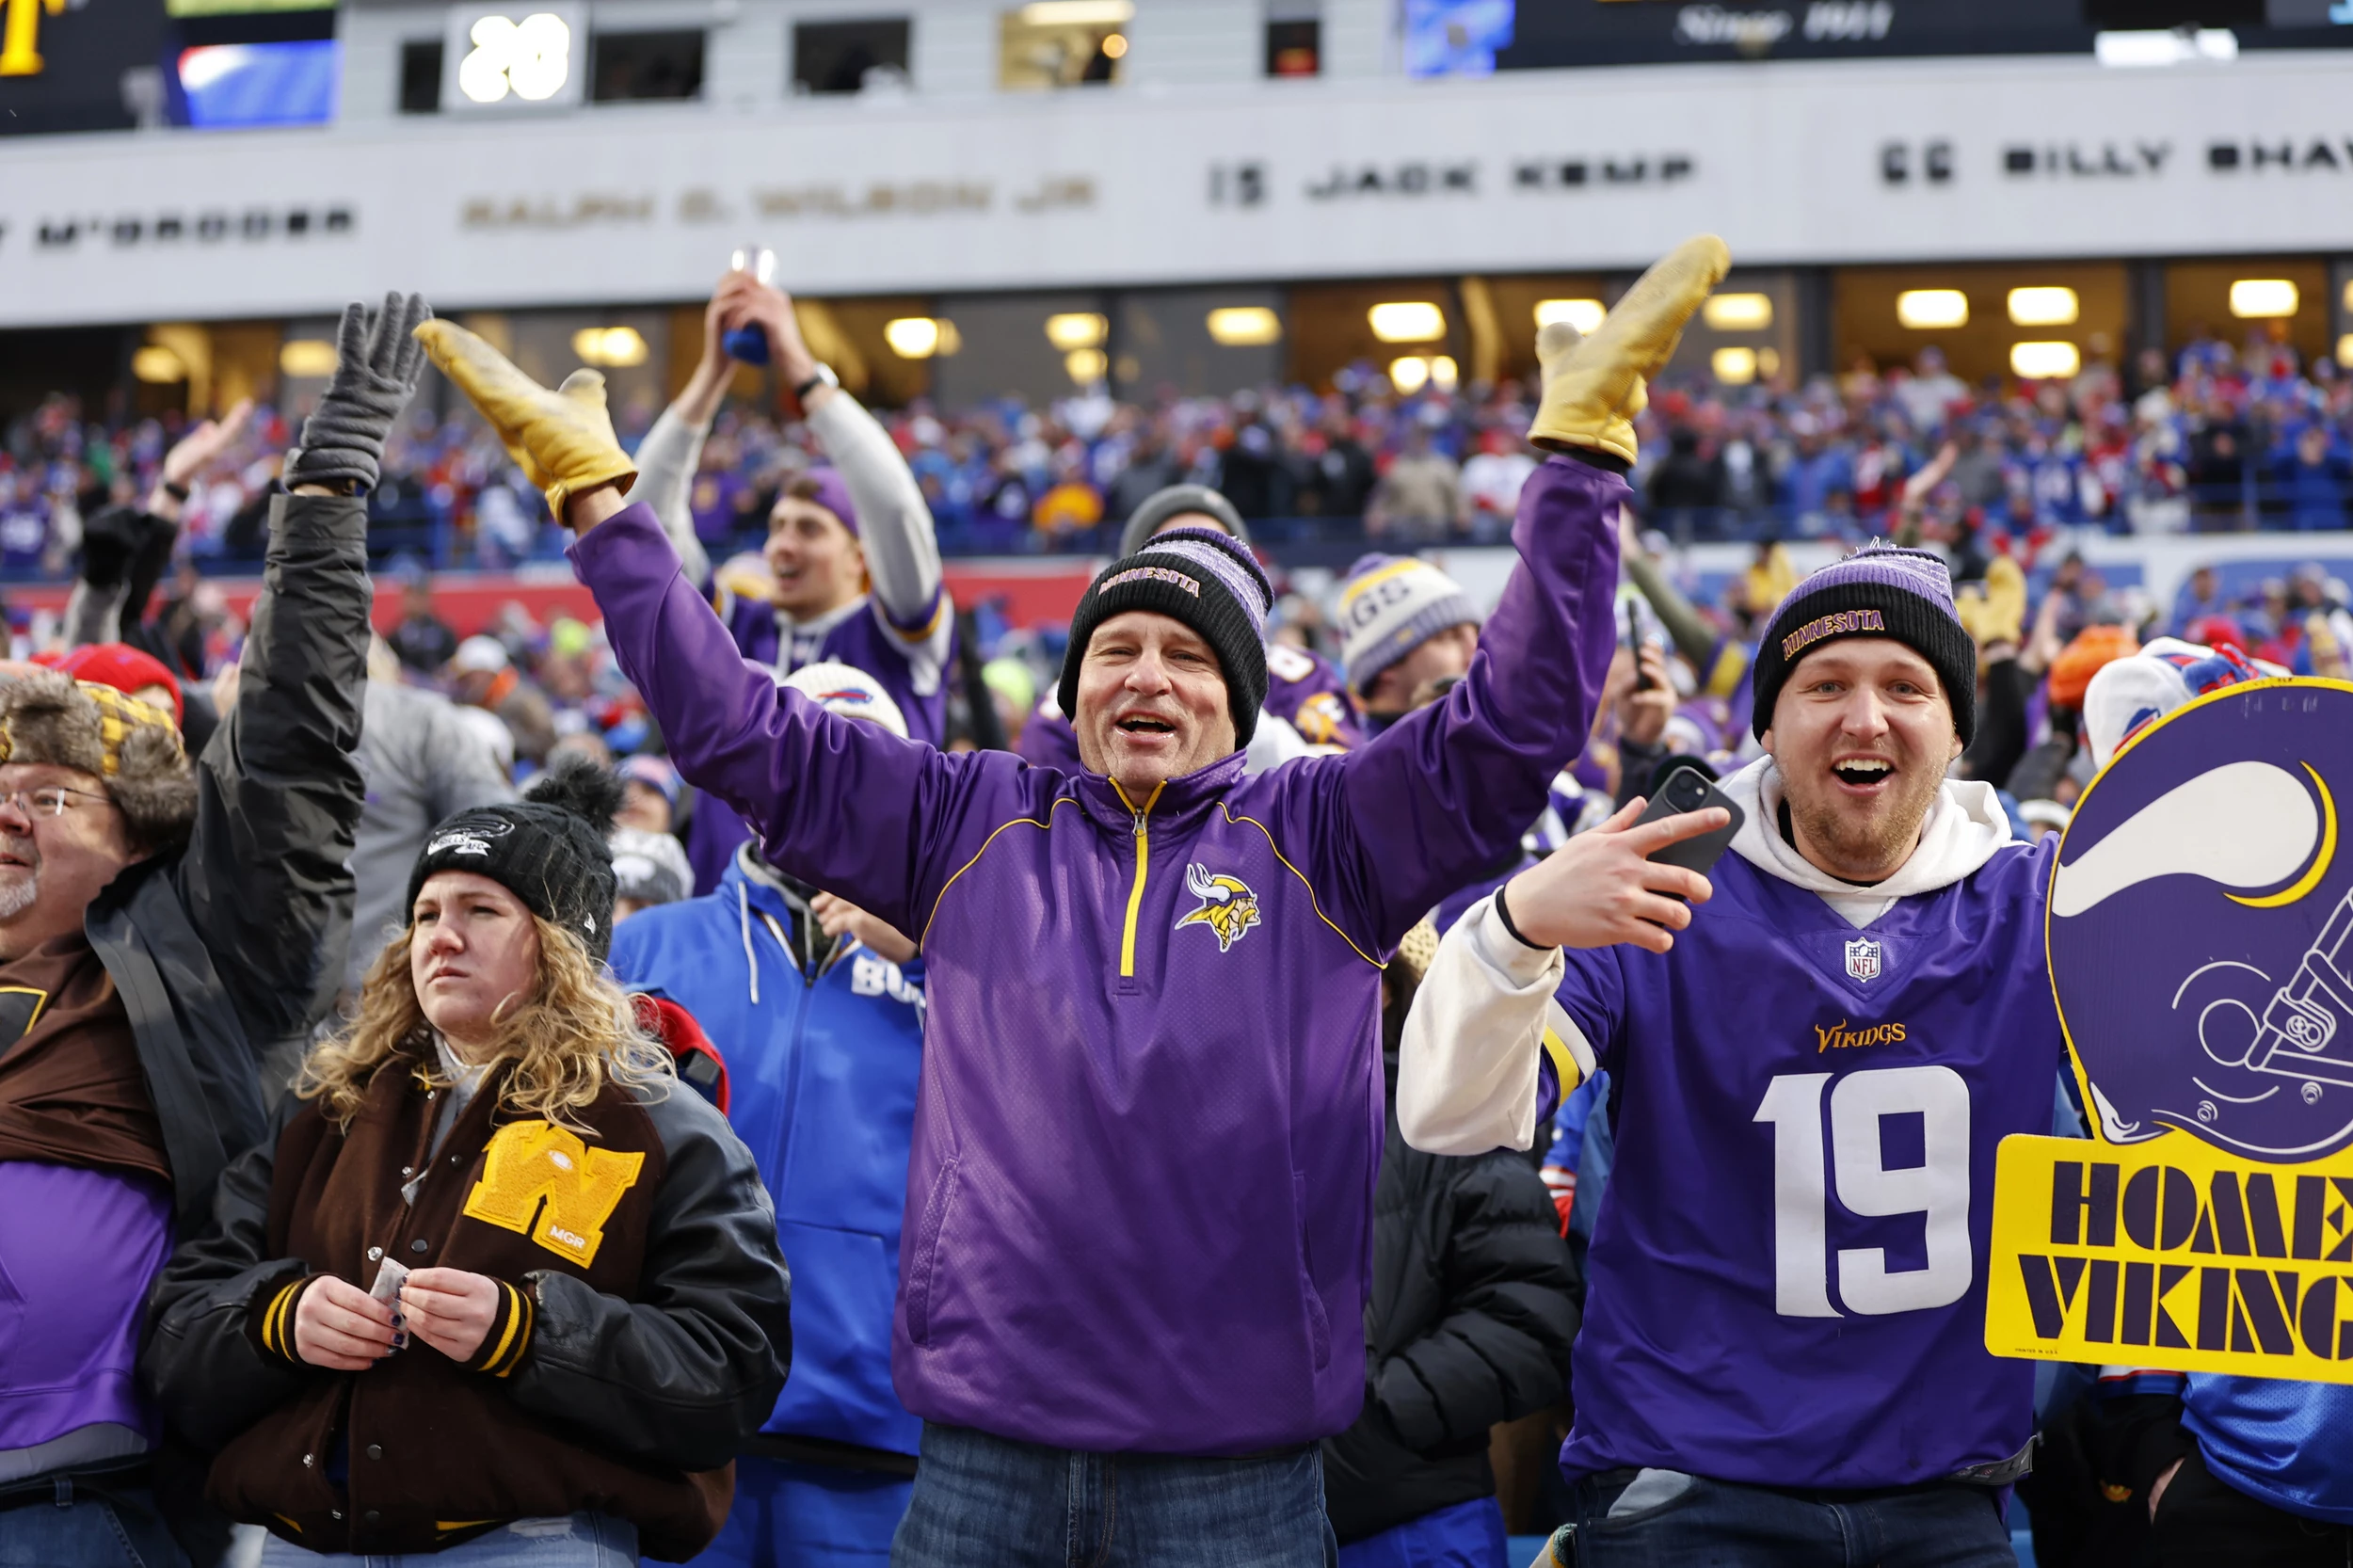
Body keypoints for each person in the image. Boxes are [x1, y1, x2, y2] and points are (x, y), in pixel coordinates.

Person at [415, 231, 1729, 1566]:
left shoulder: (1328, 833)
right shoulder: (968, 819)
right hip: (984, 1457)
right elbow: (732, 727)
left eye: (1182, 656)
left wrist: (1576, 468)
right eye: (1115, 650)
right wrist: (599, 506)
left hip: (1242, 1471)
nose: (1145, 677)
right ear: (1074, 685)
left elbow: (1519, 726)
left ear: (1239, 700)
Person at [1401, 541, 2074, 1566]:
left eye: (1906, 685)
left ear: (1954, 731)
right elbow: (1456, 1114)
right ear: (1765, 722)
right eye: (1823, 684)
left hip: (1944, 1493)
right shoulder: (1661, 885)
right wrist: (1514, 929)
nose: (1864, 717)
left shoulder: (2045, 902)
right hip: (1691, 1488)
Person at [142, 761, 792, 1565]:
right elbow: (175, 1326)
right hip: (308, 1541)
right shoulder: (327, 1106)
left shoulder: (658, 1124)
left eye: (481, 910)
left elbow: (732, 1368)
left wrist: (528, 1331)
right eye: (424, 913)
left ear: (561, 946)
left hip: (532, 1544)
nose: (440, 936)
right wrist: (278, 1319)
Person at [0, 295, 405, 1565]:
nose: (6, 818)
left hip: (75, 1504)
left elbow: (290, 731)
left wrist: (326, 488)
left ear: (140, 834)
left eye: (46, 797)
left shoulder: (200, 949)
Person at [611, 663, 929, 1568]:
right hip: (674, 1412)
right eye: (804, 760)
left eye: (858, 765)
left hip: (879, 1431)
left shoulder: (966, 962)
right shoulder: (643, 947)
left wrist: (942, 949)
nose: (828, 789)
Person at [634, 270, 953, 895]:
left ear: (861, 557)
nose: (781, 544)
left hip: (868, 927)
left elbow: (895, 510)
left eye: (809, 529)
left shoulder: (896, 637)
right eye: (776, 527)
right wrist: (710, 379)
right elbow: (644, 526)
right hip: (734, 926)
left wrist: (803, 371)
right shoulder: (735, 630)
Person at [1321, 922, 1581, 1568]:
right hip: (1238, 1517)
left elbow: (1533, 1317)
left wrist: (1375, 1413)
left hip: (1413, 1523)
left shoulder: (1449, 1125)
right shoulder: (1221, 1126)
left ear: (1387, 990)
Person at [1016, 484, 1363, 770]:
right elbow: (1041, 821)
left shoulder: (1297, 675)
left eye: (1213, 551)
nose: (1194, 568)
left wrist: (1237, 718)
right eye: (1172, 550)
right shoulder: (1080, 691)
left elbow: (1341, 792)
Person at [344, 634, 517, 1000]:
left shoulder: (424, 721)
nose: (468, 683)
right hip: (384, 987)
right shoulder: (425, 718)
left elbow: (496, 833)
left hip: (385, 984)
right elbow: (500, 835)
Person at [1335, 552, 1482, 735]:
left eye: (1476, 634)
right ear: (1387, 666)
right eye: (1448, 637)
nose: (1475, 652)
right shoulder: (1346, 755)